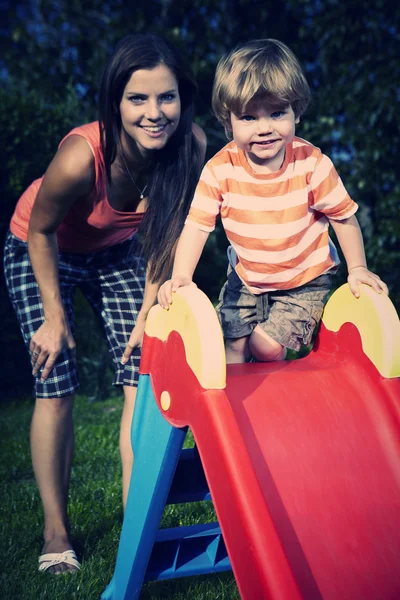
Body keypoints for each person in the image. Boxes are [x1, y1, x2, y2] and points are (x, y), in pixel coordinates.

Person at [4, 33, 206, 574]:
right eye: (137, 99)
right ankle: (55, 533)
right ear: (115, 101)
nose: (154, 112)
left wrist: (147, 314)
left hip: (117, 254)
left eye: (166, 97)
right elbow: (40, 230)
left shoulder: (190, 147)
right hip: (41, 246)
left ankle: (134, 525)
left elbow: (167, 234)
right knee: (56, 380)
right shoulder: (80, 155)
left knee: (142, 377)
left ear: (183, 99)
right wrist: (53, 317)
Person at [158, 38, 387, 365]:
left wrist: (358, 268)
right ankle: (234, 413)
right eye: (249, 118)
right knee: (232, 346)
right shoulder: (220, 170)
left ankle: (274, 402)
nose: (264, 128)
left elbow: (342, 217)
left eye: (277, 113)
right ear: (228, 121)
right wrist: (181, 276)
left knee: (265, 347)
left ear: (296, 112)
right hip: (248, 278)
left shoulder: (312, 165)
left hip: (304, 279)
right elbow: (197, 226)